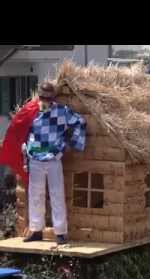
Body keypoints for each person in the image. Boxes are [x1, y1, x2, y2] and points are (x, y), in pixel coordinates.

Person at [23, 82, 86, 245]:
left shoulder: (61, 111)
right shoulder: (31, 110)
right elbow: (21, 129)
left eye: (48, 97)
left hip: (53, 158)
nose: (45, 99)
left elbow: (80, 122)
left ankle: (60, 232)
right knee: (35, 194)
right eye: (42, 96)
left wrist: (73, 144)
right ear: (39, 95)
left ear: (53, 97)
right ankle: (36, 230)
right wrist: (24, 147)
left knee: (57, 194)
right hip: (35, 157)